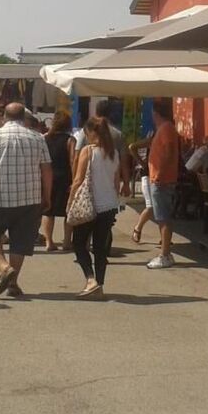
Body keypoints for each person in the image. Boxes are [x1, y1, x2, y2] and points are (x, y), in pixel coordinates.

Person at [0, 103, 51, 297]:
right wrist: (47, 196)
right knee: (20, 240)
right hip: (29, 199)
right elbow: (47, 170)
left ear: (5, 117)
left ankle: (4, 267)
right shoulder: (37, 138)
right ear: (24, 117)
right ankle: (13, 283)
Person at [69, 116, 125, 298]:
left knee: (79, 243)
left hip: (89, 204)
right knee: (100, 248)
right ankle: (99, 285)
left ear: (91, 133)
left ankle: (90, 279)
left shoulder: (88, 151)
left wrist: (70, 200)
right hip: (109, 205)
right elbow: (116, 182)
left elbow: (78, 179)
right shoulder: (114, 153)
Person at [145, 98, 180, 269]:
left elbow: (168, 152)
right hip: (161, 178)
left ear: (156, 113)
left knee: (163, 218)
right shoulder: (165, 128)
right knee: (161, 217)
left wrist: (159, 173)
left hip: (162, 180)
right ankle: (166, 253)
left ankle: (165, 254)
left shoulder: (166, 128)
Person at [74, 99, 132, 194]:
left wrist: (74, 180)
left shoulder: (86, 131)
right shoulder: (118, 135)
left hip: (87, 184)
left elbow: (76, 157)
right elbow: (124, 162)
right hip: (110, 184)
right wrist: (126, 184)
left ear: (96, 112)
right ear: (110, 114)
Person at [43, 110, 76, 252]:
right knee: (68, 211)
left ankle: (48, 242)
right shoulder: (70, 140)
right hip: (65, 178)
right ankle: (67, 242)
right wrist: (75, 181)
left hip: (48, 177)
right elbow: (73, 161)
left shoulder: (44, 138)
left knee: (48, 212)